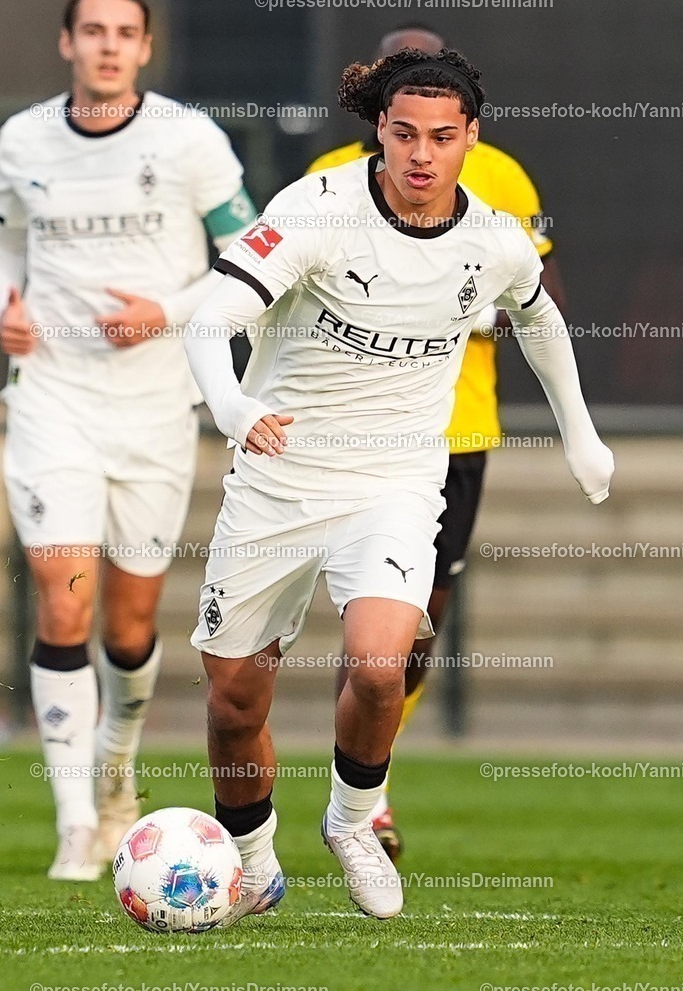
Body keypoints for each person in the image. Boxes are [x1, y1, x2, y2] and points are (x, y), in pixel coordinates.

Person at [184, 46, 614, 923]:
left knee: (381, 666)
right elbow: (212, 313)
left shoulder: (494, 237)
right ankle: (252, 858)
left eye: (442, 138)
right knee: (233, 701)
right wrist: (230, 404)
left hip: (394, 480)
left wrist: (581, 434)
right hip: (278, 476)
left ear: (471, 139)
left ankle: (350, 821)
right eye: (405, 134)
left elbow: (540, 321)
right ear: (378, 131)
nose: (421, 155)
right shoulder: (316, 210)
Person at [0, 0, 256, 880]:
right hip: (52, 401)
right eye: (93, 31)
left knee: (130, 626)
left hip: (153, 407)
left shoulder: (189, 140)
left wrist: (172, 311)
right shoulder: (21, 141)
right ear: (67, 44)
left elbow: (253, 250)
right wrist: (6, 301)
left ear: (145, 49)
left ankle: (117, 772)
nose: (109, 45)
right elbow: (8, 239)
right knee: (60, 597)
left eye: (125, 33)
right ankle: (75, 823)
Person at [307, 22, 567, 861]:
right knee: (340, 622)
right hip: (336, 431)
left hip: (453, 432)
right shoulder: (325, 185)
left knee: (419, 623)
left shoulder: (497, 180)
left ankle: (362, 779)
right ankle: (312, 795)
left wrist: (456, 308)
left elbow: (539, 297)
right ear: (377, 103)